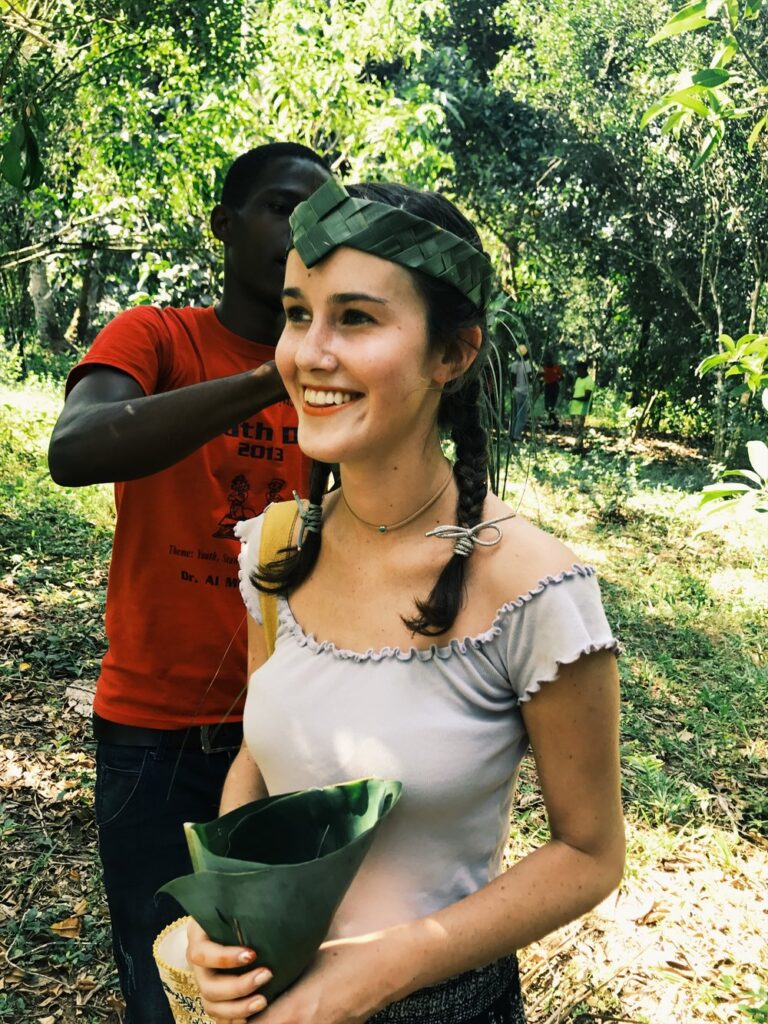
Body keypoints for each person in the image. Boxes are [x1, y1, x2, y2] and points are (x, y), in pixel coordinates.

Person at [187, 179, 625, 1024]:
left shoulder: (532, 590)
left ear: (453, 354)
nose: (310, 353)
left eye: (355, 318)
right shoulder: (277, 549)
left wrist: (381, 970)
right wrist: (228, 913)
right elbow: (257, 758)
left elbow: (589, 853)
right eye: (295, 311)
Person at [47, 143, 331, 1024]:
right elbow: (77, 447)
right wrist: (264, 383)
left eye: (323, 217)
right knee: (162, 968)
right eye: (285, 207)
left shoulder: (333, 372)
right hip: (153, 727)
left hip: (286, 725)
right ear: (224, 224)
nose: (303, 233)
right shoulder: (155, 336)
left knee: (266, 980)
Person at [567, 359, 596, 452]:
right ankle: (579, 447)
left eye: (579, 370)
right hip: (574, 408)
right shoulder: (578, 379)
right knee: (575, 429)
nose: (577, 372)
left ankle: (577, 447)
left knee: (579, 429)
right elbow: (575, 392)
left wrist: (575, 398)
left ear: (584, 370)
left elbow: (586, 397)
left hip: (581, 409)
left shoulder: (589, 381)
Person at [510, 343, 533, 440]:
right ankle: (516, 435)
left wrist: (513, 389)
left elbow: (512, 379)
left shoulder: (514, 365)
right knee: (521, 416)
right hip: (523, 392)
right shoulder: (527, 365)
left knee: (514, 415)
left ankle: (511, 434)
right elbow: (529, 378)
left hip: (515, 391)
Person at [541, 349, 564, 429]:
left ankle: (552, 422)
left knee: (552, 406)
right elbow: (541, 377)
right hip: (547, 386)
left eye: (550, 359)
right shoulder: (544, 368)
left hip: (554, 386)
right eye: (547, 359)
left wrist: (556, 379)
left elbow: (562, 377)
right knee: (547, 405)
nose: (549, 360)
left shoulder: (556, 367)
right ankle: (553, 421)